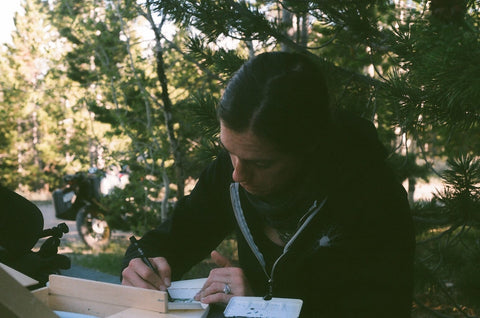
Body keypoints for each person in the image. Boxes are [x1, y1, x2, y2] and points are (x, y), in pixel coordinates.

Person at [121, 51, 415, 317]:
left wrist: (259, 308)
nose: (238, 175)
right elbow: (178, 234)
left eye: (261, 163)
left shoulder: (374, 198)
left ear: (309, 147)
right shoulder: (234, 168)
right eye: (230, 151)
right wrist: (139, 263)